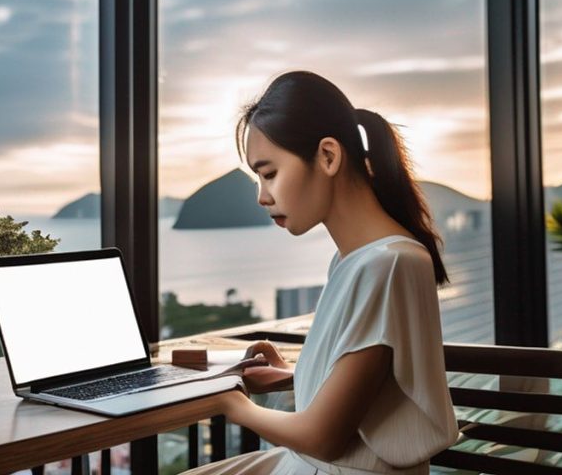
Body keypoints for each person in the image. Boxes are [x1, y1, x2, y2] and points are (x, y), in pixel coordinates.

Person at [182, 71, 460, 474]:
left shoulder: (389, 263)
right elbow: (371, 395)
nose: (262, 196)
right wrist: (291, 376)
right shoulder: (359, 261)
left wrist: (228, 403)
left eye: (270, 173)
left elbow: (323, 438)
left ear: (328, 157)